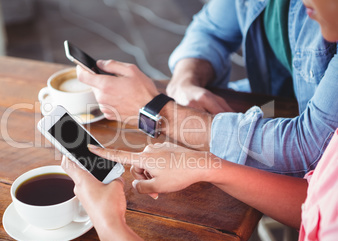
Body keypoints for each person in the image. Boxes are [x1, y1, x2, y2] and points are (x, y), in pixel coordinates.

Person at [60, 0, 338, 241]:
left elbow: (308, 149)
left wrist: (112, 232)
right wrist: (184, 83)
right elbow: (313, 197)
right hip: (269, 114)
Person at [77, 0, 338, 177]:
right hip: (273, 105)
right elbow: (210, 30)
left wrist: (159, 113)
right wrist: (184, 81)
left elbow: (310, 149)